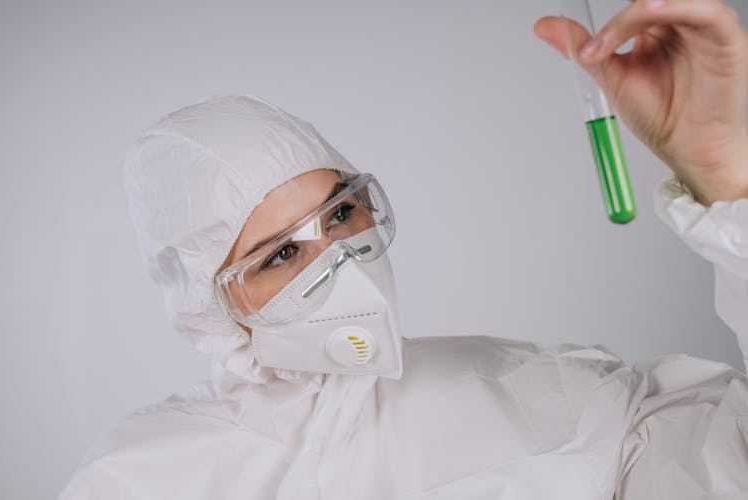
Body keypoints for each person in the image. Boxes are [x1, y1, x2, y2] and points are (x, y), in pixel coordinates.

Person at [60, 1, 748, 499]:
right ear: (211, 307)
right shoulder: (141, 478)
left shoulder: (548, 398)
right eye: (278, 256)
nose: (337, 258)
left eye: (339, 213)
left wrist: (728, 176)